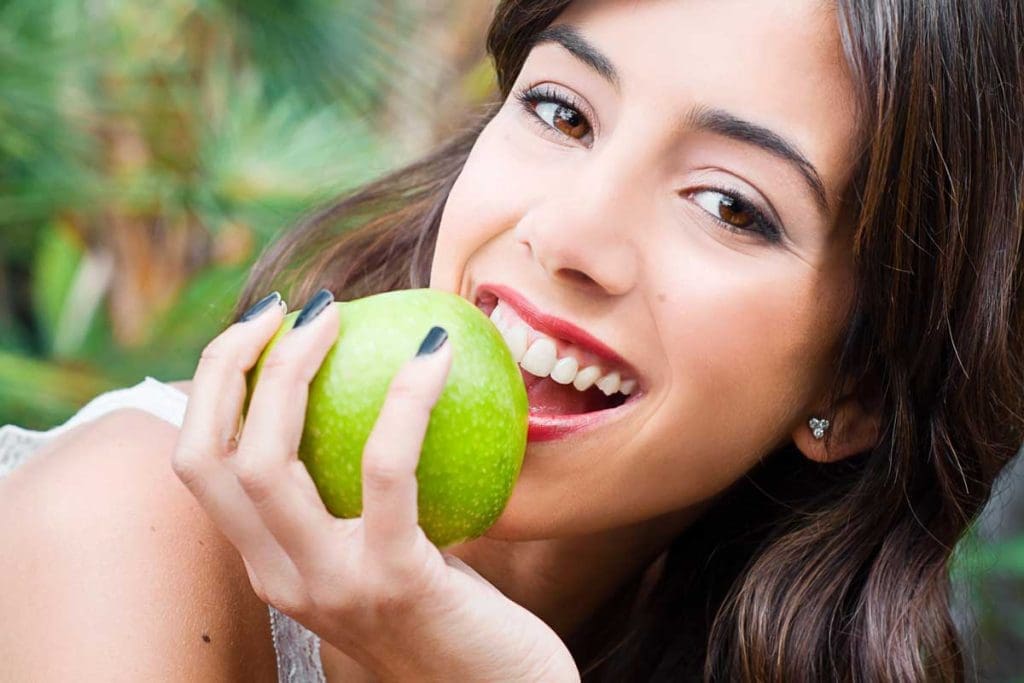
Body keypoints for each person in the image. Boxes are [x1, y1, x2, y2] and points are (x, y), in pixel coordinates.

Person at [1, 0, 1021, 680]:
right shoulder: (133, 516)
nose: (569, 233)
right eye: (562, 112)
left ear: (858, 391)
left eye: (727, 204)